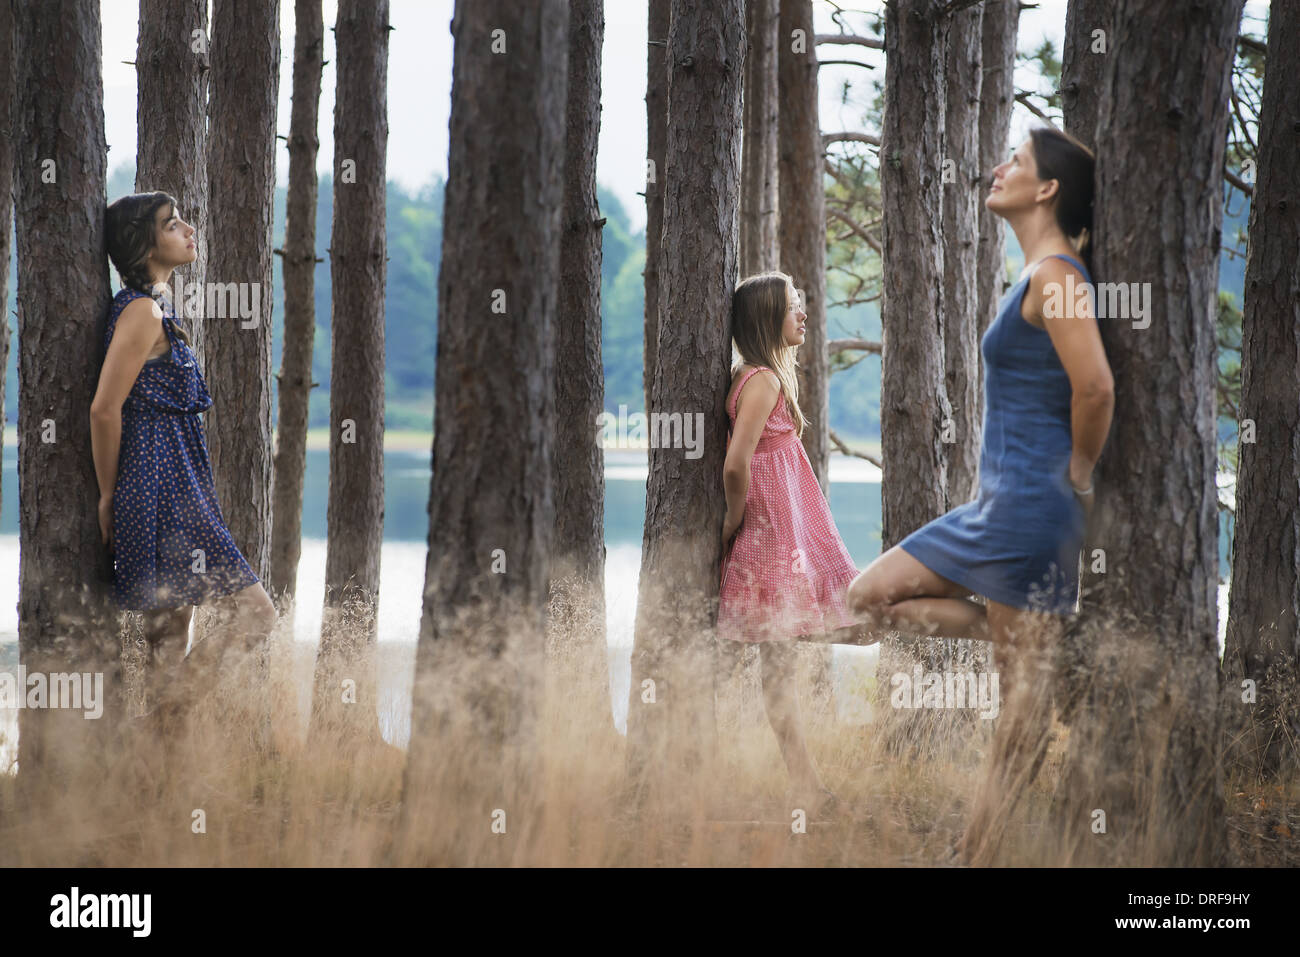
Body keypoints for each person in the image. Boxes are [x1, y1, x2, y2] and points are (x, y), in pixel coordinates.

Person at [846, 126, 1115, 863]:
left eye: (1017, 163)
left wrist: (1080, 475)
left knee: (1018, 712)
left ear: (1048, 188)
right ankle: (1040, 633)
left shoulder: (1059, 276)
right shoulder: (1037, 274)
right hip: (993, 510)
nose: (999, 170)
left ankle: (973, 855)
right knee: (870, 597)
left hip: (1032, 511)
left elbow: (1094, 385)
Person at [91, 192, 277, 736]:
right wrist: (108, 495)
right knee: (257, 614)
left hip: (174, 481)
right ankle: (153, 731)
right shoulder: (143, 311)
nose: (188, 229)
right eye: (172, 225)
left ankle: (158, 785)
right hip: (161, 486)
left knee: (169, 645)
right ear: (145, 244)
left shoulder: (153, 307)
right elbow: (104, 408)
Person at [719, 270, 869, 817]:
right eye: (792, 307)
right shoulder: (764, 381)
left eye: (803, 304)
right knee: (861, 621)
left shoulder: (755, 376)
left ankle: (804, 783)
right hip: (777, 540)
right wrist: (733, 523)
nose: (803, 314)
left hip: (785, 537)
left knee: (779, 661)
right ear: (765, 320)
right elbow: (738, 464)